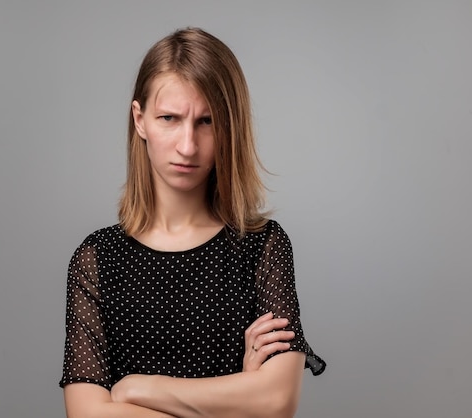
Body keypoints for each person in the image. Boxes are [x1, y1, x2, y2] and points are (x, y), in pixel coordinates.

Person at [59, 27, 326, 418]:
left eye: (206, 121)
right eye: (169, 118)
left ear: (229, 127)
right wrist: (238, 397)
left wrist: (138, 388)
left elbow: (276, 402)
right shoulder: (99, 260)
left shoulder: (261, 247)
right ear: (140, 120)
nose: (188, 145)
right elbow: (87, 414)